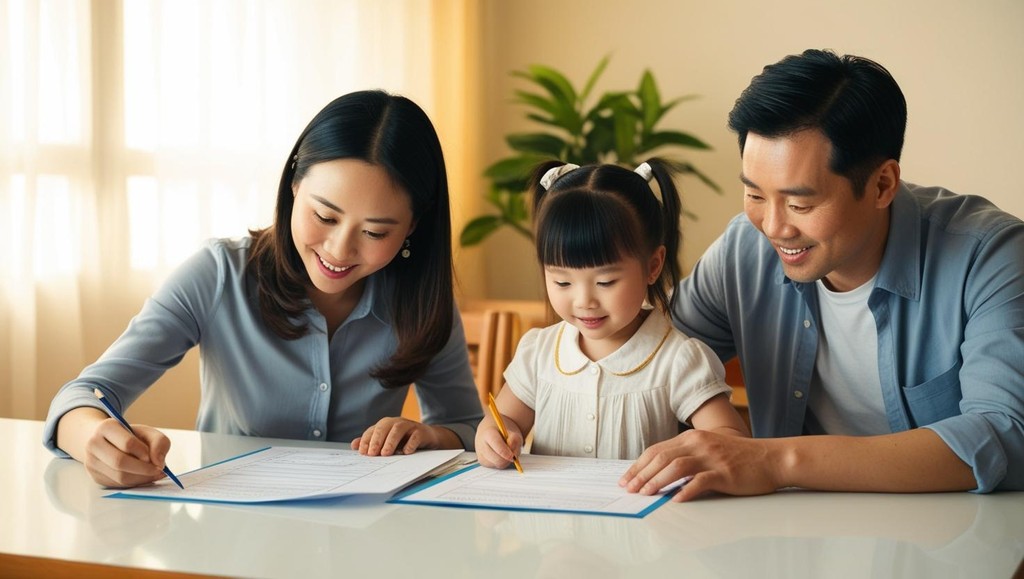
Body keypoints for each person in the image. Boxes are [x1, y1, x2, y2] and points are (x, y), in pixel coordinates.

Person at [619, 49, 1024, 501]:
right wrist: (524, 411)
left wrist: (775, 460)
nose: (773, 228)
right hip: (788, 541)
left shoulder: (991, 256)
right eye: (754, 194)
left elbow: (1004, 435)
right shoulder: (744, 249)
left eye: (800, 204)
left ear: (882, 185)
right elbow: (647, 362)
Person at [43, 90, 483, 488]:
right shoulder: (219, 274)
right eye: (325, 217)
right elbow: (82, 396)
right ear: (294, 186)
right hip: (229, 543)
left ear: (412, 228)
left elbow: (466, 425)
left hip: (361, 539)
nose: (339, 249)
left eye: (374, 232)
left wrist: (431, 435)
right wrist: (91, 437)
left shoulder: (423, 302)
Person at [476, 160, 749, 469]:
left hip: (641, 515)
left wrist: (697, 451)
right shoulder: (538, 352)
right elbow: (503, 419)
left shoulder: (678, 360)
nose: (584, 301)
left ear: (653, 266)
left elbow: (730, 441)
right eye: (562, 281)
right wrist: (495, 437)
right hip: (551, 515)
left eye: (605, 282)